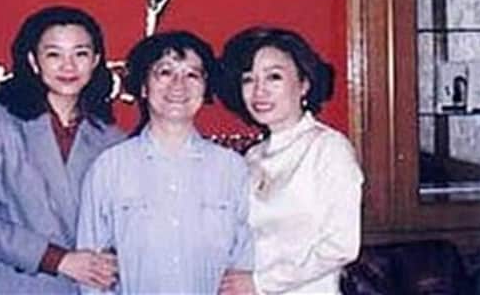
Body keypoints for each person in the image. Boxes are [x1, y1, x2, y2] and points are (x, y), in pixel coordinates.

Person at [0, 5, 125, 294]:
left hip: (87, 288)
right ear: (34, 62)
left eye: (80, 54)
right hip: (14, 285)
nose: (68, 66)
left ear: (96, 61)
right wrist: (58, 260)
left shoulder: (112, 139)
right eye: (54, 55)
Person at [77, 31, 254, 294]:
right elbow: (91, 274)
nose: (178, 85)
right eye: (165, 72)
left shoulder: (232, 169)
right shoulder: (110, 167)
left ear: (205, 87)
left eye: (192, 75)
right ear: (143, 87)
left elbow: (245, 260)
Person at [218, 27, 364, 295]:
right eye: (249, 79)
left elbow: (341, 246)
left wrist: (261, 283)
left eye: (273, 77)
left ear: (304, 83)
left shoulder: (328, 148)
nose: (259, 90)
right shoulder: (253, 156)